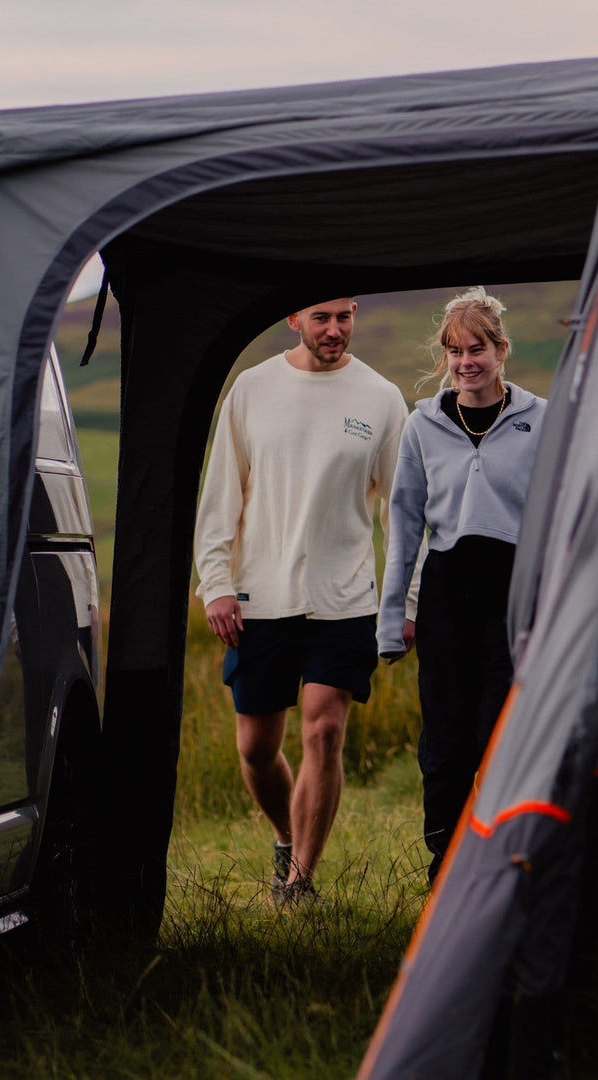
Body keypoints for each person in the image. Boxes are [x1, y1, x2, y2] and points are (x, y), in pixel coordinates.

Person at [194, 297, 417, 904]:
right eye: (321, 317)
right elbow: (220, 496)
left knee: (324, 733)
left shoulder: (380, 397)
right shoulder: (252, 389)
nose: (335, 329)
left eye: (345, 316)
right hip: (258, 597)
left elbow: (403, 513)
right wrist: (215, 584)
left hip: (344, 601)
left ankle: (300, 884)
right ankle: (286, 839)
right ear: (293, 318)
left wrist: (406, 600)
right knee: (257, 749)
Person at [376, 286, 546, 885]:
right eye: (455, 352)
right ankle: (443, 871)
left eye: (478, 349)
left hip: (513, 598)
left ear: (502, 350)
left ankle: (505, 868)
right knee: (445, 743)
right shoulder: (423, 426)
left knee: (500, 736)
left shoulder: (541, 419)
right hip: (447, 594)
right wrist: (392, 620)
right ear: (444, 357)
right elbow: (404, 524)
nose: (466, 362)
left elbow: (555, 520)